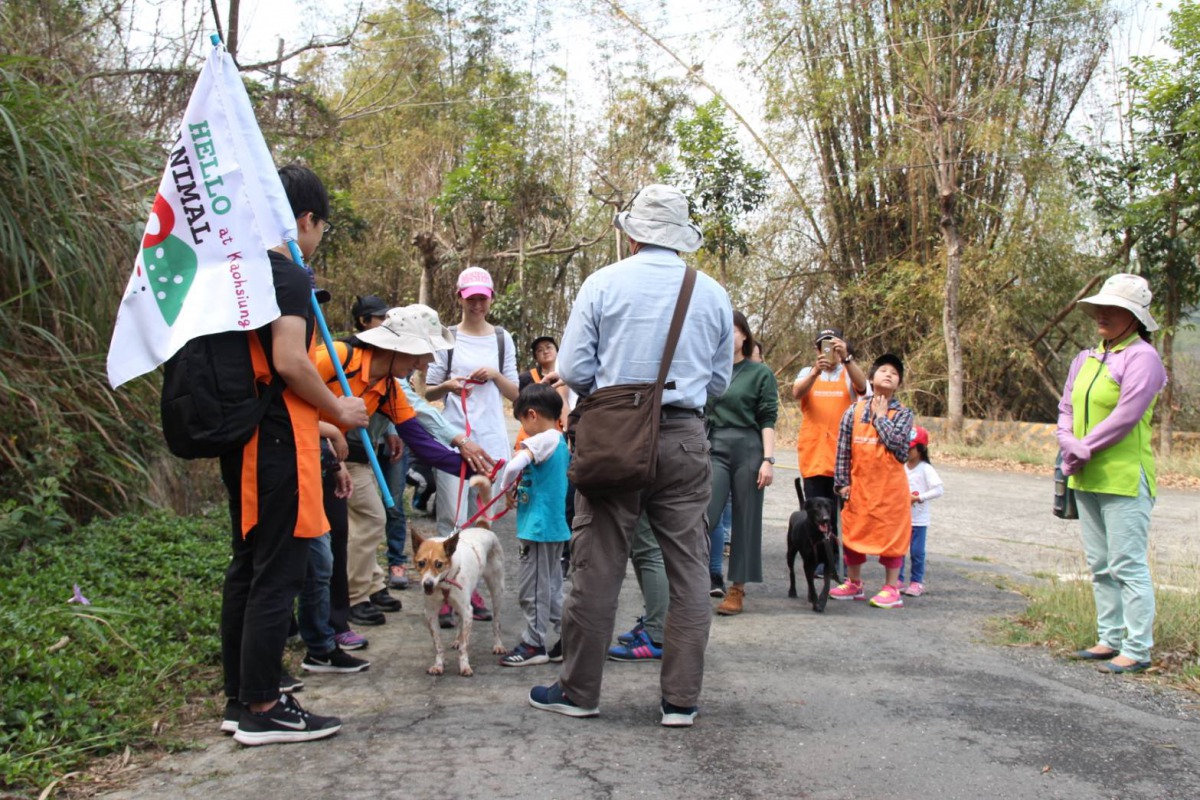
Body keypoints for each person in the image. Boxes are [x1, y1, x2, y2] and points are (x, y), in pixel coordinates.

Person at [529, 183, 733, 728]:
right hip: (685, 437)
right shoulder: (712, 293)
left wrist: (620, 401)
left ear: (633, 232)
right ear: (680, 236)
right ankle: (680, 702)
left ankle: (580, 692)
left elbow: (573, 369)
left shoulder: (602, 284)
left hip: (612, 437)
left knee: (597, 567)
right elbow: (718, 381)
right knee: (690, 569)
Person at [222, 165, 369, 746]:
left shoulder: (244, 275)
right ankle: (263, 704)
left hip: (252, 436)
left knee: (250, 568)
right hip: (276, 439)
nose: (316, 241)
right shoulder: (285, 275)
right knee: (277, 571)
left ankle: (242, 697)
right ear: (305, 220)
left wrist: (327, 426)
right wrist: (339, 411)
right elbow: (289, 359)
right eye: (320, 230)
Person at [315, 305, 492, 629]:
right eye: (420, 354)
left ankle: (349, 606)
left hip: (334, 462)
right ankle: (340, 613)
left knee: (343, 533)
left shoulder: (389, 387)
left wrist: (474, 469)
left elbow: (421, 441)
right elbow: (288, 393)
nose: (426, 364)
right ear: (397, 347)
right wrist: (327, 425)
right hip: (301, 452)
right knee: (329, 538)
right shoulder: (339, 355)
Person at [1057, 273, 1166, 674]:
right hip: (1084, 474)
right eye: (1101, 307)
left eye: (1116, 310)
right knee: (1100, 562)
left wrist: (1084, 447)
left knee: (1127, 564)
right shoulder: (1086, 358)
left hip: (1122, 476)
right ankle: (1109, 637)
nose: (1104, 314)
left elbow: (1126, 416)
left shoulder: (1143, 358)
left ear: (1135, 318)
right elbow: (1066, 406)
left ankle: (1137, 647)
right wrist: (1068, 440)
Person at [425, 266, 519, 622]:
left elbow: (516, 392)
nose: (477, 304)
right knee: (451, 516)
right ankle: (446, 592)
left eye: (483, 298)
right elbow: (428, 390)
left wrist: (494, 375)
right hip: (454, 438)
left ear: (491, 298)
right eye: (471, 298)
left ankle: (471, 590)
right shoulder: (446, 337)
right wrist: (449, 385)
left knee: (482, 520)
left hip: (491, 438)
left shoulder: (501, 338)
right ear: (460, 297)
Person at [829, 353, 914, 609]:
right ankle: (854, 583)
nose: (889, 374)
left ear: (898, 384)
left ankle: (891, 587)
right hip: (859, 487)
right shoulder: (853, 411)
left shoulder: (903, 413)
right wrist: (842, 483)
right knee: (854, 533)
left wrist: (880, 417)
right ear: (871, 377)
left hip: (890, 491)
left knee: (891, 538)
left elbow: (899, 448)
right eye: (884, 370)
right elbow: (843, 450)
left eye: (895, 373)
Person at [496, 384, 571, 666]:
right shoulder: (559, 439)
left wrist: (504, 487)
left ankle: (533, 643)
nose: (524, 432)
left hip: (539, 529)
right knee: (551, 587)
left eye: (523, 424)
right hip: (549, 528)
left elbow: (514, 465)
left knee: (533, 590)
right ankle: (567, 638)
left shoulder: (544, 438)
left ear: (532, 415)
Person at [709, 311, 778, 615]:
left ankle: (737, 588)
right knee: (703, 514)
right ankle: (692, 582)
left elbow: (767, 418)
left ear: (745, 336)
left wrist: (768, 459)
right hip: (714, 446)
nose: (729, 337)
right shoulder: (710, 370)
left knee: (746, 518)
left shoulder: (759, 373)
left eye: (734, 331)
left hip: (749, 447)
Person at [791, 328, 868, 546]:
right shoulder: (808, 372)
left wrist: (847, 359)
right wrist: (815, 372)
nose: (828, 352)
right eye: (822, 346)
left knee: (839, 512)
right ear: (816, 350)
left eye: (832, 346)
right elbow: (796, 392)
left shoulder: (848, 373)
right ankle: (816, 557)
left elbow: (863, 387)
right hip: (813, 455)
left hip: (841, 458)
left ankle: (836, 557)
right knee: (815, 511)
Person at [900, 426, 943, 597]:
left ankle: (917, 582)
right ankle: (898, 579)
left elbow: (939, 490)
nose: (907, 451)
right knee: (899, 551)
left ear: (921, 449)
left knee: (917, 552)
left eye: (910, 448)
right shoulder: (901, 466)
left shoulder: (926, 469)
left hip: (919, 520)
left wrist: (919, 498)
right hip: (902, 518)